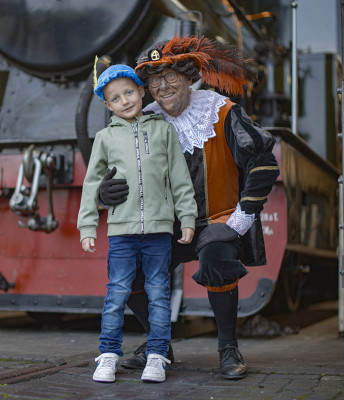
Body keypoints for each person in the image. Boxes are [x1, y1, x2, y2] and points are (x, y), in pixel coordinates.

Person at [98, 35, 280, 380]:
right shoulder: (140, 124)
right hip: (165, 223)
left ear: (187, 77)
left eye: (169, 77)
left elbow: (264, 164)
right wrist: (105, 192)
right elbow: (114, 175)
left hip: (220, 217)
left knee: (216, 256)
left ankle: (228, 348)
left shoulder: (222, 112)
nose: (162, 87)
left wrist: (239, 221)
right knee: (127, 268)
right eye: (153, 81)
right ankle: (159, 345)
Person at [77, 64, 198, 383]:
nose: (125, 100)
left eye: (129, 92)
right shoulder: (104, 138)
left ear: (142, 91)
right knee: (116, 292)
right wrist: (87, 227)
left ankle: (157, 356)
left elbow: (179, 178)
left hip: (159, 231)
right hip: (121, 232)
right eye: (116, 98)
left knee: (159, 293)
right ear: (108, 105)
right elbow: (92, 184)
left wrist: (187, 216)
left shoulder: (163, 131)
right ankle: (107, 355)